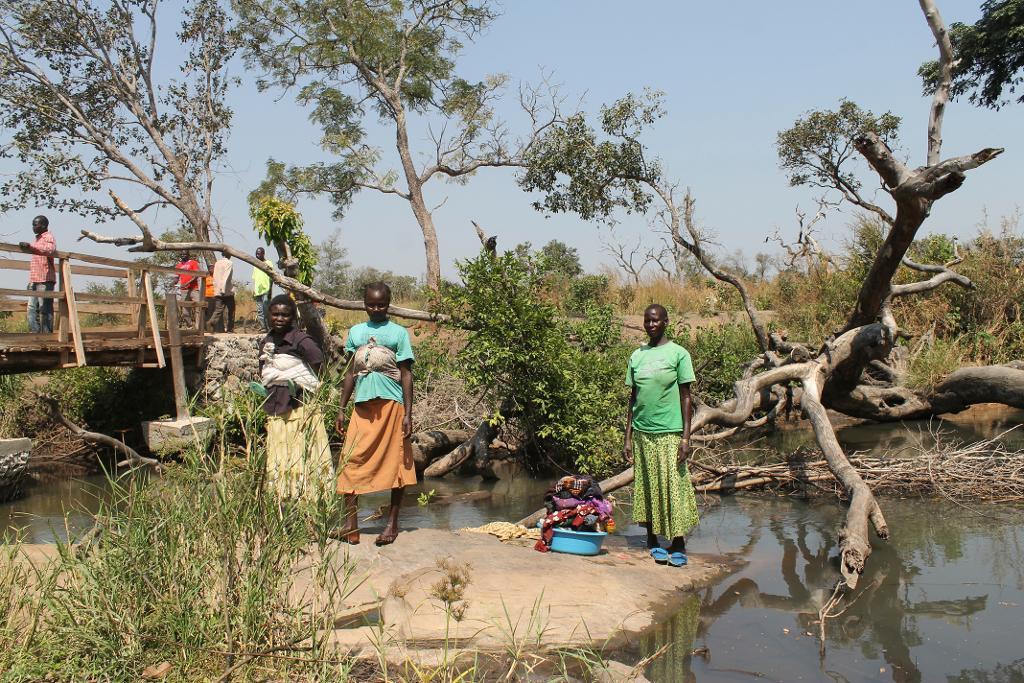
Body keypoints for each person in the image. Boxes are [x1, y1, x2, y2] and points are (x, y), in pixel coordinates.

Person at [335, 282, 416, 546]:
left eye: (381, 305)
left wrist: (408, 413)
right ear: (364, 304)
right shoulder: (356, 332)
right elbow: (350, 373)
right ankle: (351, 526)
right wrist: (341, 408)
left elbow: (406, 374)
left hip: (391, 406)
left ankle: (392, 525)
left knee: (397, 464)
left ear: (389, 304)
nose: (376, 309)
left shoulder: (398, 333)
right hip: (362, 407)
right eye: (371, 304)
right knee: (350, 463)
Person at [624, 303, 698, 567]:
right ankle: (652, 539)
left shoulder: (679, 354)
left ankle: (677, 542)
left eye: (656, 320)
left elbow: (686, 397)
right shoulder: (637, 356)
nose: (651, 325)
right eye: (647, 321)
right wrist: (628, 437)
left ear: (666, 321)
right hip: (643, 432)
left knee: (672, 486)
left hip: (669, 431)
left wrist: (686, 438)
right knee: (647, 485)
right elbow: (633, 399)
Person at [255, 294, 332, 500]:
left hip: (300, 408)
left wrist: (317, 390)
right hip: (276, 410)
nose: (279, 318)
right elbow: (266, 373)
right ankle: (283, 500)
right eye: (275, 314)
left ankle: (309, 500)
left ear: (293, 318)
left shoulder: (301, 341)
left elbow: (320, 367)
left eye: (285, 315)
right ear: (269, 316)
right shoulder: (267, 342)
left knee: (302, 457)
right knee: (280, 457)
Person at [19, 215, 57, 333]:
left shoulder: (48, 237)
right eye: (33, 224)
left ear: (44, 225)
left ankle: (47, 336)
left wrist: (31, 247)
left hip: (45, 279)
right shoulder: (37, 239)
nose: (33, 227)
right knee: (31, 308)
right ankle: (34, 333)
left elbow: (49, 249)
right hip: (35, 279)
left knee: (45, 308)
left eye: (35, 224)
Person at [207, 251, 235, 333]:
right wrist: (223, 289)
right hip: (226, 291)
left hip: (218, 290)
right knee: (231, 310)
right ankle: (230, 329)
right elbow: (226, 276)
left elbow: (215, 277)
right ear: (229, 254)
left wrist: (217, 289)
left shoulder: (217, 263)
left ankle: (211, 322)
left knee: (218, 310)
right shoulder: (229, 263)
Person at [252, 247, 275, 332]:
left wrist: (270, 290)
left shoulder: (268, 263)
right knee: (260, 311)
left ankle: (270, 327)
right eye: (256, 254)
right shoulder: (255, 264)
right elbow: (254, 278)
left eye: (259, 253)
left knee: (266, 310)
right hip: (258, 291)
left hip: (266, 290)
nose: (257, 255)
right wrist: (253, 290)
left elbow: (272, 277)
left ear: (263, 254)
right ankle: (263, 327)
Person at [174, 251, 200, 327]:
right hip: (184, 290)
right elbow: (176, 277)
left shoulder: (193, 263)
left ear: (188, 255)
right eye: (182, 254)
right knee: (185, 310)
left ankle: (199, 326)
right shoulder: (178, 266)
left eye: (185, 254)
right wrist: (173, 283)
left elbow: (196, 275)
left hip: (194, 289)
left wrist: (188, 282)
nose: (183, 256)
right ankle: (190, 326)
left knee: (199, 307)